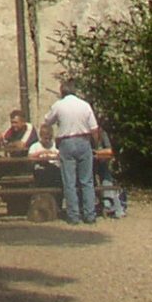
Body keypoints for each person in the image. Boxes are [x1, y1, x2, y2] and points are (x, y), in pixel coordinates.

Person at [41, 80, 100, 226]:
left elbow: (47, 121)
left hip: (66, 141)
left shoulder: (59, 105)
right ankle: (90, 214)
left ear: (62, 91)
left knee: (69, 181)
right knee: (87, 180)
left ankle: (73, 215)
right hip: (83, 140)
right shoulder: (84, 105)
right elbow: (94, 128)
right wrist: (95, 145)